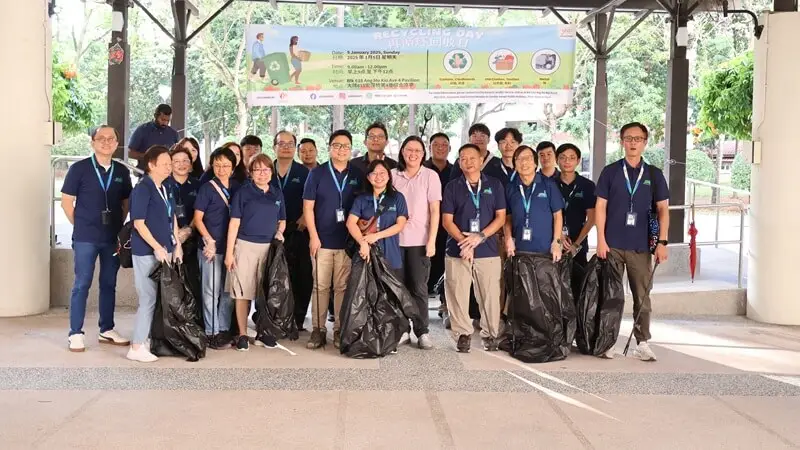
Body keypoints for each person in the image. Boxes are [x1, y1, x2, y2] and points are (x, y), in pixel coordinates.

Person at [595, 122, 670, 362]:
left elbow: (663, 210)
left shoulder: (654, 174)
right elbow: (600, 207)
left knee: (642, 296)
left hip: (640, 247)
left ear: (645, 142)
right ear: (621, 141)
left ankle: (643, 342)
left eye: (638, 139)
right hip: (613, 245)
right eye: (628, 138)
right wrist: (600, 240)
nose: (633, 143)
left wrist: (662, 242)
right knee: (612, 297)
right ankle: (608, 341)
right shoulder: (610, 171)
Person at [61, 125, 133, 352]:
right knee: (81, 284)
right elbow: (66, 202)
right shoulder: (79, 169)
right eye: (100, 138)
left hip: (112, 237)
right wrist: (81, 224)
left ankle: (107, 329)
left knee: (109, 283)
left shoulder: (121, 171)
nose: (106, 142)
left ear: (116, 142)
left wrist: (119, 226)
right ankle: (75, 333)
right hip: (85, 237)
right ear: (92, 142)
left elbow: (126, 202)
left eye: (111, 138)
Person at [442, 144, 506, 353]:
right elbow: (447, 221)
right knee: (457, 293)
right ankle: (462, 334)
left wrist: (479, 237)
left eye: (472, 158)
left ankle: (491, 334)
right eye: (462, 159)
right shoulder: (452, 186)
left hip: (487, 248)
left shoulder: (495, 185)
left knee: (489, 294)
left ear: (481, 161)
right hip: (458, 250)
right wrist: (465, 242)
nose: (467, 162)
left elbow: (501, 217)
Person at [302, 130, 364, 349]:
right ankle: (318, 330)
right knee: (320, 287)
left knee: (341, 287)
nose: (342, 150)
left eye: (346, 146)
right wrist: (313, 236)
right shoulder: (317, 174)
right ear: (329, 147)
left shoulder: (357, 174)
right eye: (337, 146)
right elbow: (308, 208)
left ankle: (339, 329)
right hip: (322, 241)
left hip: (346, 242)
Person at [126, 145, 184, 363]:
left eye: (170, 164)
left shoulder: (165, 187)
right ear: (151, 165)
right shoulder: (143, 188)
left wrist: (176, 243)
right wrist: (157, 247)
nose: (169, 168)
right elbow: (139, 223)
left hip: (165, 250)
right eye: (165, 164)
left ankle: (148, 340)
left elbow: (172, 217)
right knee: (148, 297)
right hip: (146, 252)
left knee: (158, 298)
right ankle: (136, 345)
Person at [225, 154, 287, 351]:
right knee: (243, 292)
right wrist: (229, 253)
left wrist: (279, 232)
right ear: (251, 173)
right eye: (257, 170)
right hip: (245, 245)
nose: (262, 173)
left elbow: (282, 220)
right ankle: (243, 334)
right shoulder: (243, 193)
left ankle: (263, 332)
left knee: (265, 292)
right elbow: (234, 223)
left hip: (268, 248)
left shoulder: (276, 193)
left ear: (271, 171)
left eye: (266, 169)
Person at [391, 136, 441, 349]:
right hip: (394, 241)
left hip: (420, 241)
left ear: (423, 154)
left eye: (418, 150)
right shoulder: (393, 175)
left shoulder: (430, 176)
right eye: (409, 149)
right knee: (397, 288)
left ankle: (422, 331)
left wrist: (432, 240)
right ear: (402, 151)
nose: (413, 153)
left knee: (419, 288)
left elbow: (435, 211)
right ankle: (402, 329)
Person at [194, 147, 240, 348]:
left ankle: (223, 329)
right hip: (211, 249)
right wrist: (208, 240)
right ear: (212, 165)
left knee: (228, 291)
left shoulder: (239, 187)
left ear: (233, 167)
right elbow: (197, 219)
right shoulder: (207, 188)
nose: (221, 169)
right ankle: (211, 331)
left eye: (226, 165)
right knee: (210, 290)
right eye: (218, 165)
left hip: (232, 248)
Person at [271, 131, 312, 330]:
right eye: (281, 143)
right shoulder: (265, 169)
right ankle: (273, 316)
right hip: (270, 232)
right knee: (271, 275)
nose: (285, 147)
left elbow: (313, 200)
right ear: (274, 147)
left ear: (295, 148)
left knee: (300, 276)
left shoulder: (304, 173)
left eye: (290, 144)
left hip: (297, 230)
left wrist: (305, 219)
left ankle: (297, 318)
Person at [347, 159, 408, 276]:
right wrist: (362, 243)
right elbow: (350, 223)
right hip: (367, 251)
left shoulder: (397, 197)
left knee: (391, 291)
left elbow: (400, 225)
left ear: (389, 176)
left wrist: (377, 236)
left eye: (382, 173)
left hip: (390, 251)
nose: (378, 176)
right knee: (368, 291)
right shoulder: (361, 199)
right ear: (368, 178)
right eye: (374, 173)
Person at [504, 145, 564, 261]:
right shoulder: (510, 188)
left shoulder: (548, 185)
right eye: (519, 159)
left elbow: (558, 215)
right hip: (518, 250)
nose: (524, 162)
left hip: (546, 250)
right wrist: (508, 238)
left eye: (528, 158)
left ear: (536, 163)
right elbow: (507, 217)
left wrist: (556, 242)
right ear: (515, 165)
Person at [556, 143, 596, 267]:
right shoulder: (550, 184)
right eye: (563, 157)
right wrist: (559, 237)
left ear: (578, 161)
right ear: (557, 160)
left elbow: (592, 218)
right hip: (554, 244)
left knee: (578, 283)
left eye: (572, 158)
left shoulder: (587, 185)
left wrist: (576, 244)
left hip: (579, 245)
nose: (567, 161)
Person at [423, 133, 453, 299]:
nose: (440, 148)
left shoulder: (455, 170)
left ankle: (444, 303)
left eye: (444, 145)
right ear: (429, 148)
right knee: (425, 266)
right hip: (425, 225)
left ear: (449, 148)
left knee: (446, 265)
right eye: (436, 145)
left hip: (448, 226)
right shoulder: (422, 169)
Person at [128, 104, 180, 172]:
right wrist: (149, 157)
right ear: (155, 116)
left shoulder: (173, 133)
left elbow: (179, 153)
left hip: (168, 174)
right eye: (163, 120)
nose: (165, 123)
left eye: (168, 120)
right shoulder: (142, 130)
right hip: (146, 173)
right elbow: (130, 153)